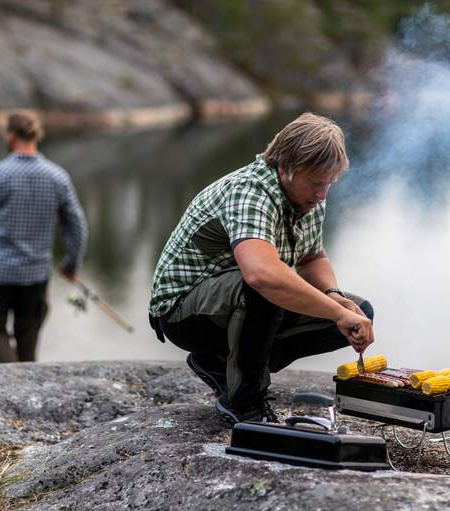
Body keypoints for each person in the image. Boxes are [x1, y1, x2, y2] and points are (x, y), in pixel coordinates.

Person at [149, 112, 374, 425]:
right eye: (316, 183)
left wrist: (335, 298)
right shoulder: (250, 191)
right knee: (267, 289)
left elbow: (312, 257)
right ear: (285, 167)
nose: (322, 194)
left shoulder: (306, 196)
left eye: (329, 184)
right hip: (182, 313)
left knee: (360, 313)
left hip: (234, 303)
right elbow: (261, 275)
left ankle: (219, 363)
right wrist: (336, 313)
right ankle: (243, 400)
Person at [0, 111, 88, 363]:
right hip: (35, 275)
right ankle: (26, 383)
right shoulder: (58, 176)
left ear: (11, 136)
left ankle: (7, 379)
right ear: (36, 136)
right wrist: (71, 264)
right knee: (28, 335)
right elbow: (77, 224)